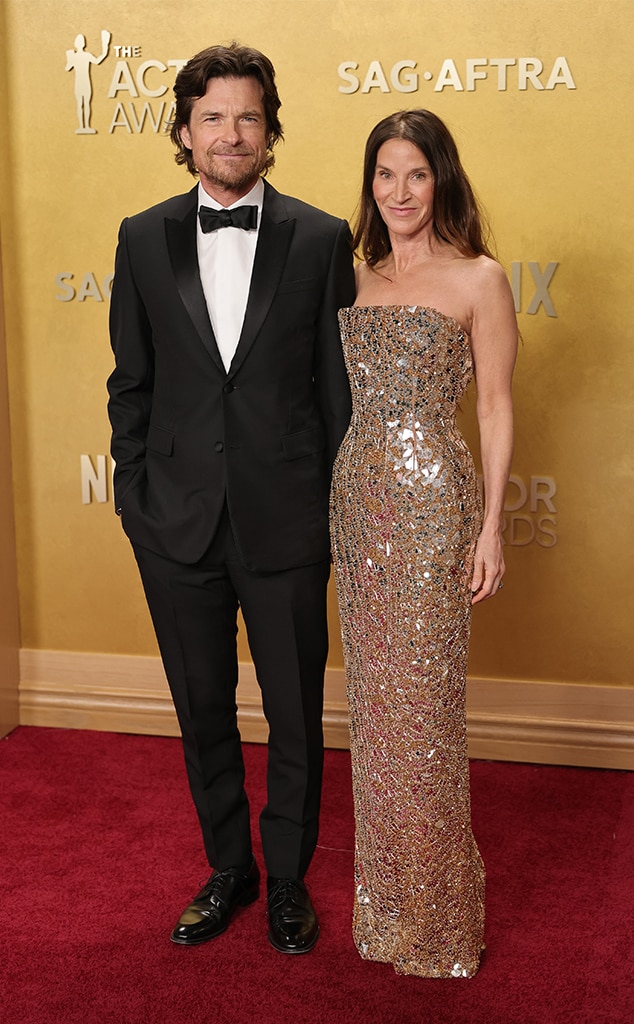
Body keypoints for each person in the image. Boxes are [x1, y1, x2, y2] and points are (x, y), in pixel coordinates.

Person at [107, 42, 354, 954]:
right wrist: (135, 495)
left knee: (295, 714)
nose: (231, 133)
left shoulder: (322, 237)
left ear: (270, 130)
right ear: (185, 131)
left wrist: (334, 509)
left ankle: (287, 877)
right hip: (173, 523)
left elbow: (339, 394)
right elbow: (131, 382)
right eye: (213, 116)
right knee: (201, 710)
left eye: (249, 116)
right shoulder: (142, 236)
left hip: (287, 518)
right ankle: (229, 868)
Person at [330, 110, 517, 977]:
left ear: (441, 179)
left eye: (416, 173)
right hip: (358, 504)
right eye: (384, 174)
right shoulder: (352, 278)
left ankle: (440, 920)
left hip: (436, 504)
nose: (399, 192)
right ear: (370, 183)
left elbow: (495, 406)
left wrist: (490, 527)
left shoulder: (480, 277)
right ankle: (388, 910)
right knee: (375, 717)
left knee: (428, 714)